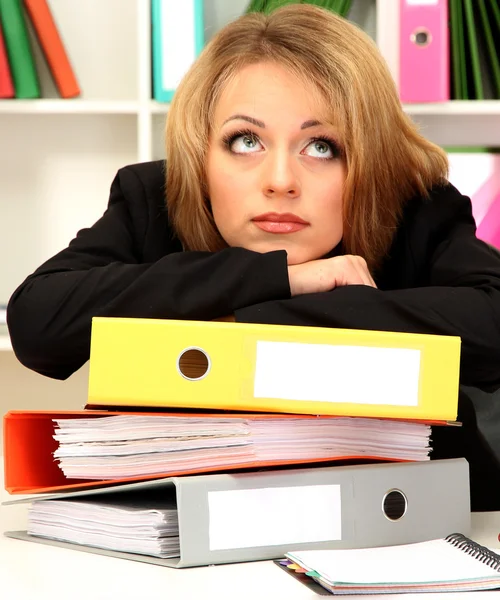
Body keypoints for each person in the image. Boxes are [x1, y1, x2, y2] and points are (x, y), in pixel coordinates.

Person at [7, 5, 500, 509]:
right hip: (195, 524)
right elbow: (38, 323)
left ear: (367, 159)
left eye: (322, 146)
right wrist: (282, 277)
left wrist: (231, 317)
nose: (280, 181)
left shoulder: (415, 207)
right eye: (246, 141)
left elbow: (492, 326)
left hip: (419, 520)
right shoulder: (154, 200)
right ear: (201, 154)